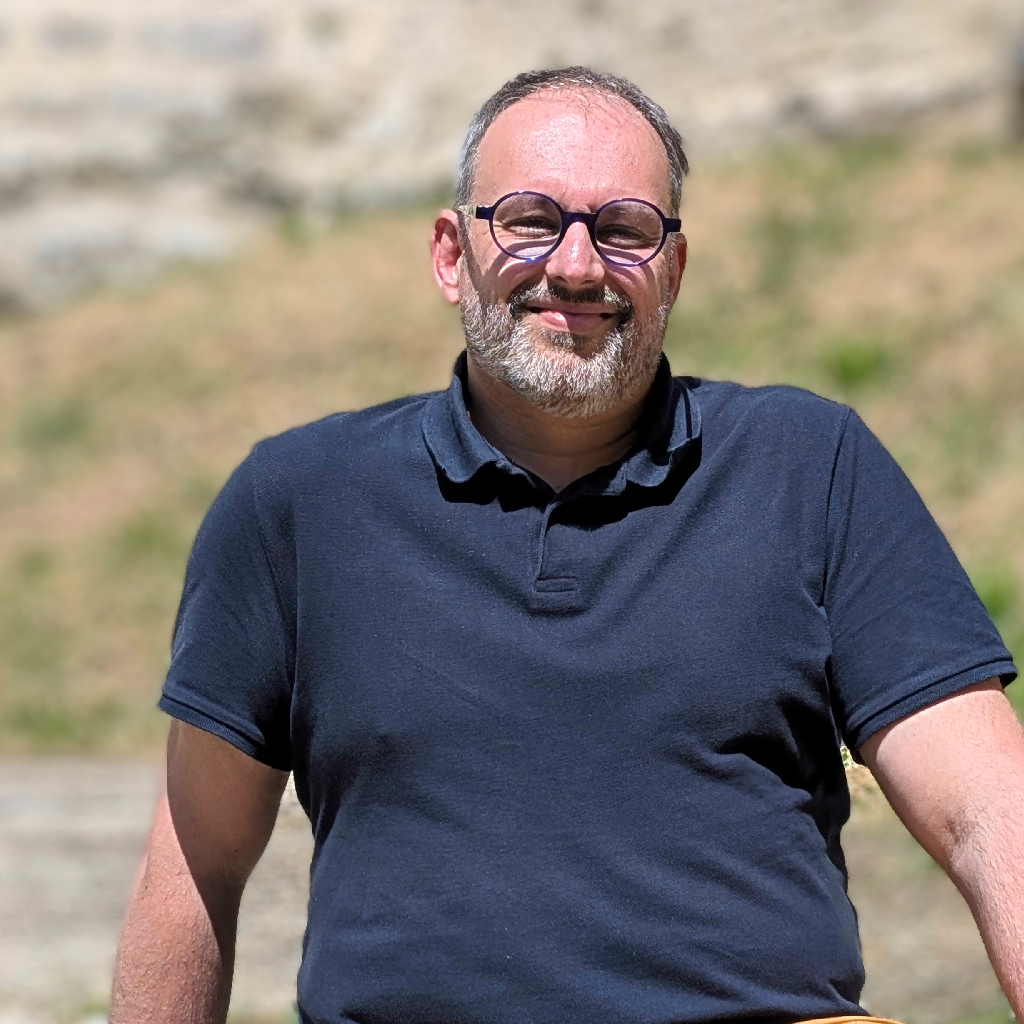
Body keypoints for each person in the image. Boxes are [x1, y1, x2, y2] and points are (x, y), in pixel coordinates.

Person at [110, 67, 1024, 1024]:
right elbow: (196, 860)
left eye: (625, 228)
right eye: (530, 220)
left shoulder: (811, 465)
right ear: (450, 254)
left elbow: (986, 811)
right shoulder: (299, 500)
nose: (578, 265)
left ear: (674, 268)